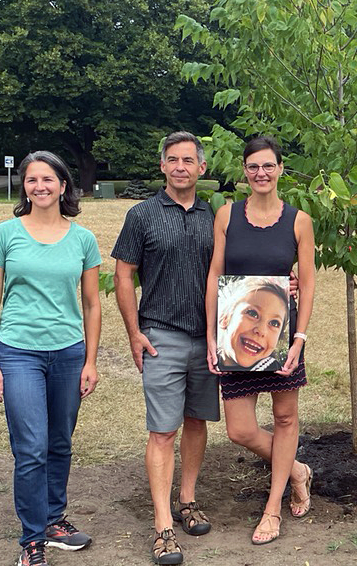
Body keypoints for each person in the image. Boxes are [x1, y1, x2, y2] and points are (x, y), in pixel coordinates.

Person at [0, 151, 101, 566]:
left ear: (64, 185)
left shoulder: (83, 239)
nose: (40, 187)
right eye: (32, 180)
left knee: (59, 443)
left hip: (68, 352)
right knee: (31, 447)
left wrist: (90, 360)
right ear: (24, 186)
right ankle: (32, 540)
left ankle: (53, 520)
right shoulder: (3, 234)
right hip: (18, 353)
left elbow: (91, 305)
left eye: (48, 179)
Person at [112, 132, 218, 565]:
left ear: (201, 168)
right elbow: (123, 275)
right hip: (162, 337)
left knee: (196, 422)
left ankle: (187, 500)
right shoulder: (142, 215)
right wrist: (134, 332)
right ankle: (163, 526)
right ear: (162, 166)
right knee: (162, 431)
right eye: (172, 159)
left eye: (188, 160)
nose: (180, 166)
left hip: (207, 339)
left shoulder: (216, 216)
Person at [205, 136, 315, 546]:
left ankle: (273, 509)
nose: (261, 173)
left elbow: (307, 283)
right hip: (236, 339)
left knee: (285, 419)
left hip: (281, 337)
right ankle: (298, 470)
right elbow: (215, 279)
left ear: (280, 169)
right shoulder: (227, 216)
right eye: (253, 166)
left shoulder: (299, 221)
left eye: (268, 166)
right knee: (239, 429)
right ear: (244, 171)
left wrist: (300, 339)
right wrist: (211, 338)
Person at [216, 276, 290, 371]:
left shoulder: (271, 372)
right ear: (225, 317)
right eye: (252, 313)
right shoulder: (201, 363)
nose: (261, 330)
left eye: (274, 323)